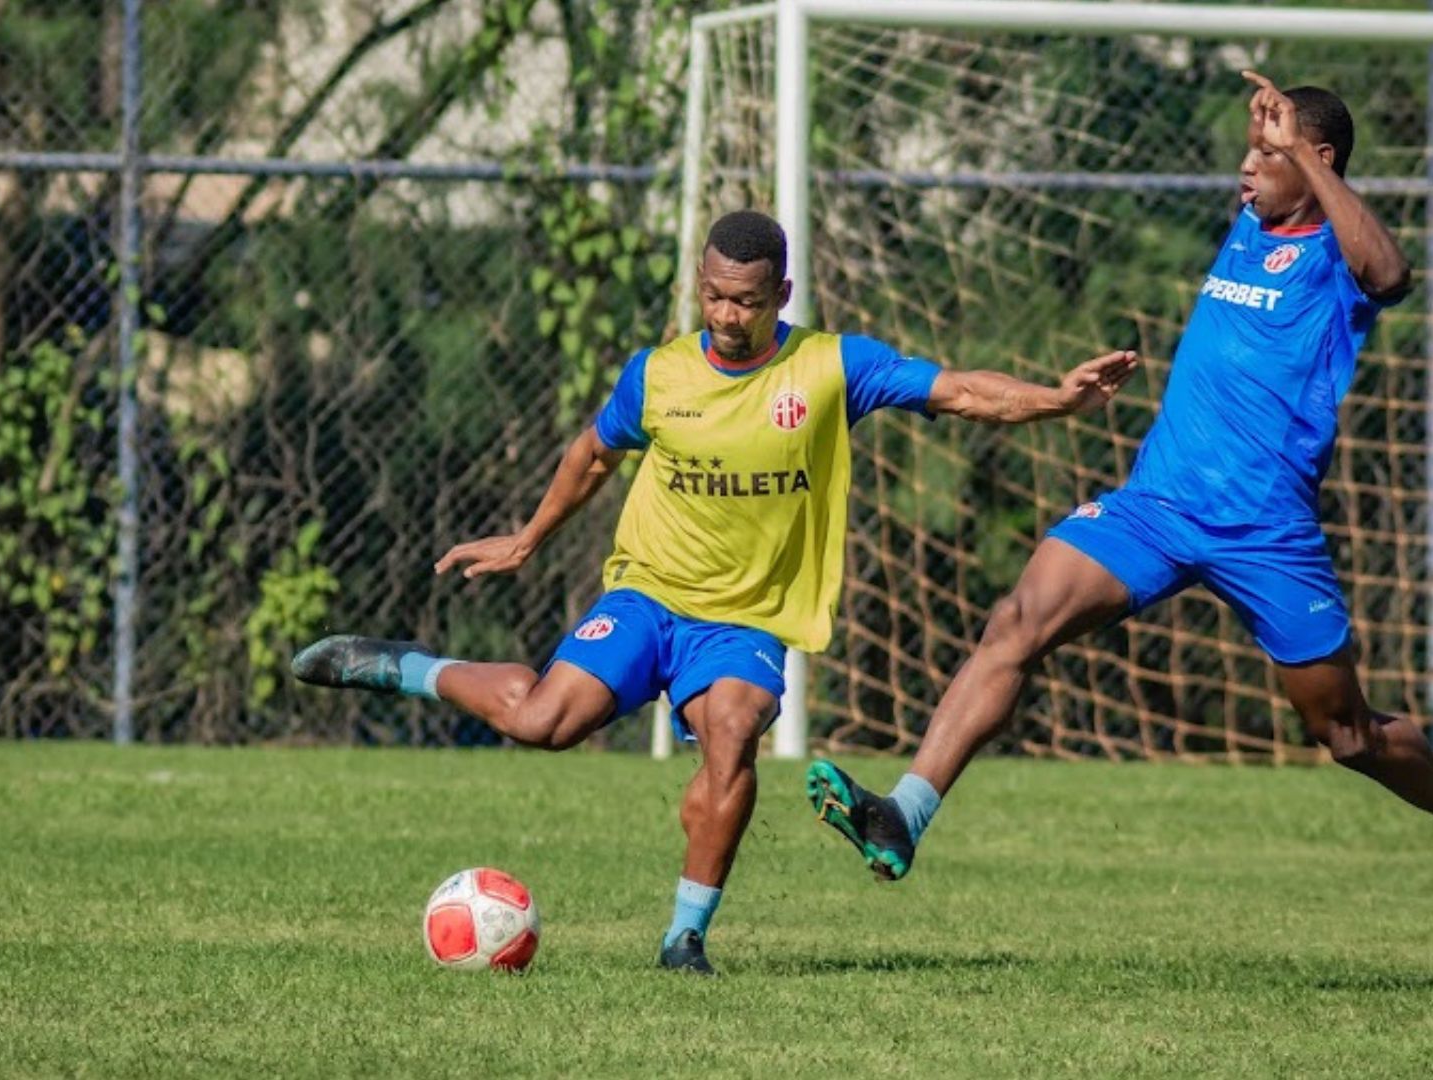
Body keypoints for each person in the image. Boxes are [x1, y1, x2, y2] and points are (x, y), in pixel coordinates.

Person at [292, 209, 1140, 975]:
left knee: (731, 733)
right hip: (647, 594)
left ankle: (684, 937)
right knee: (543, 722)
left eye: (746, 300)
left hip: (745, 619)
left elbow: (959, 391)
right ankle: (404, 666)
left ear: (782, 292)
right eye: (714, 297)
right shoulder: (658, 376)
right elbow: (593, 453)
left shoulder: (830, 367)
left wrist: (1057, 401)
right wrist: (527, 537)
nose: (728, 317)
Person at [805, 74, 1433, 943]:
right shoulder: (1251, 223)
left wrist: (1302, 157)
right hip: (1155, 507)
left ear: (1320, 161)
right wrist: (1280, 147)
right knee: (1018, 621)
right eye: (1249, 148)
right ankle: (905, 813)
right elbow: (1274, 188)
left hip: (1267, 533)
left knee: (1345, 734)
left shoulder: (1341, 262)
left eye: (1266, 154)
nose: (1245, 166)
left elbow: (1391, 272)